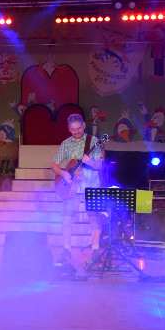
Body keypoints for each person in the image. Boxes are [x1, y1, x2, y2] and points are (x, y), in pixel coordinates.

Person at [50, 113, 104, 266]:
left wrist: (91, 162)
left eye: (79, 128)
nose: (77, 131)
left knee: (93, 217)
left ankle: (95, 251)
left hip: (91, 185)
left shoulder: (93, 141)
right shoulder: (66, 143)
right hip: (72, 187)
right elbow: (54, 165)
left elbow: (100, 165)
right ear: (69, 128)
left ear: (84, 125)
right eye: (73, 129)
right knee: (67, 217)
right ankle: (66, 251)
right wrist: (64, 174)